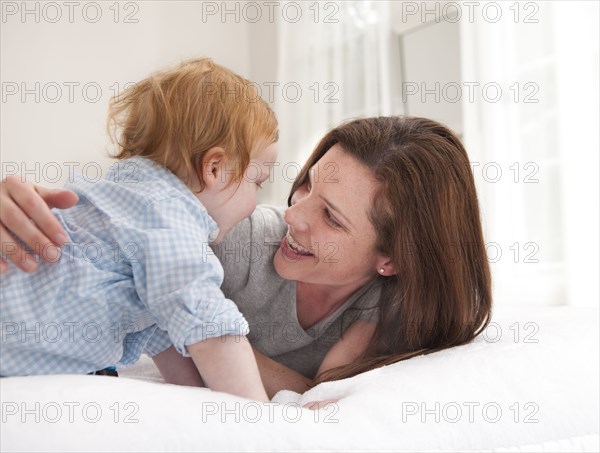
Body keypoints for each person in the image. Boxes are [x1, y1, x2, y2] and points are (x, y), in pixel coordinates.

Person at [0, 116, 492, 398]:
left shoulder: (398, 309)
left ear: (393, 259)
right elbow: (108, 234)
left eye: (332, 218)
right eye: (305, 185)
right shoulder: (230, 240)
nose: (294, 214)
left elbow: (325, 392)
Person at [0, 58, 280, 402]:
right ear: (215, 167)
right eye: (258, 182)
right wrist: (262, 416)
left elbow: (176, 351)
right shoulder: (167, 209)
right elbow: (208, 324)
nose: (256, 202)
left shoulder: (129, 211)